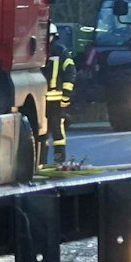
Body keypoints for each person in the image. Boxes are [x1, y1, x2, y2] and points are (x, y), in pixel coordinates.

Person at [46, 25, 76, 166]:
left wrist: (66, 95)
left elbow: (70, 73)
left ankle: (59, 160)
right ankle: (41, 161)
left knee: (57, 128)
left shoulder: (61, 52)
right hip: (40, 98)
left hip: (56, 98)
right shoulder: (38, 52)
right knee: (42, 130)